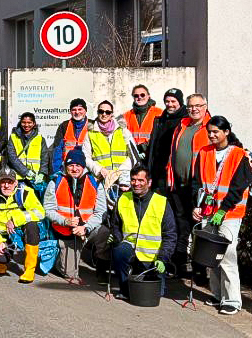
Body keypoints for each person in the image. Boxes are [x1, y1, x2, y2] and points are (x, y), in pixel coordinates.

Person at [191, 116, 251, 315]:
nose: (212, 135)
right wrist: (197, 205)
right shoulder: (204, 152)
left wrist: (223, 209)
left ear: (226, 132)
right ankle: (217, 294)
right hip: (208, 212)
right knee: (210, 255)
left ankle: (232, 300)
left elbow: (238, 187)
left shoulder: (239, 155)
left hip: (230, 213)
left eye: (216, 131)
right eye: (209, 131)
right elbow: (197, 183)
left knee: (226, 255)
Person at [105, 165, 177, 301]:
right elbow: (116, 226)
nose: (136, 183)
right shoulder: (122, 199)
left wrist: (163, 259)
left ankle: (147, 278)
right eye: (133, 180)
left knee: (157, 294)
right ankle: (125, 289)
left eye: (140, 180)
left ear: (149, 182)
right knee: (119, 251)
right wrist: (116, 239)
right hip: (130, 249)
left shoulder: (161, 202)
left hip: (153, 257)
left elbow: (170, 235)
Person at [43, 148, 107, 281]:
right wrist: (65, 221)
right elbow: (48, 210)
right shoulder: (55, 182)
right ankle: (58, 258)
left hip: (87, 229)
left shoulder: (95, 183)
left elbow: (101, 212)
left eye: (78, 165)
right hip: (66, 232)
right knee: (70, 274)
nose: (74, 169)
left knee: (105, 233)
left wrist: (86, 227)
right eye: (71, 165)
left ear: (83, 166)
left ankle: (101, 267)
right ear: (66, 166)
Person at [166, 93, 211, 279]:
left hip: (198, 186)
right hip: (178, 184)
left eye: (198, 105)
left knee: (199, 226)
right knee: (180, 225)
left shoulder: (211, 127)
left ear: (205, 107)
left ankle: (200, 270)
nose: (194, 109)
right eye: (191, 106)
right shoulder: (182, 124)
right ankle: (179, 265)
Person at [0, 164, 45, 283]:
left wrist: (15, 220)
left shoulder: (25, 192)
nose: (6, 185)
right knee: (2, 260)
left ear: (16, 183)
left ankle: (29, 270)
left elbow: (40, 212)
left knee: (32, 226)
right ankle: (1, 259)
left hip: (18, 232)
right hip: (0, 235)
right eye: (3, 182)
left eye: (10, 182)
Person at [145, 88, 185, 187]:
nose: (170, 104)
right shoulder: (160, 120)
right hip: (158, 170)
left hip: (177, 172)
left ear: (180, 102)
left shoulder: (186, 120)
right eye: (167, 101)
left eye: (173, 101)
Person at [88, 100, 134, 186]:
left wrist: (120, 172)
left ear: (112, 114)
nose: (104, 114)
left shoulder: (123, 131)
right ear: (97, 112)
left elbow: (133, 155)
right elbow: (86, 157)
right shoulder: (90, 133)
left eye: (107, 112)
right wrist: (99, 170)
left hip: (122, 179)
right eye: (101, 111)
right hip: (100, 179)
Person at [122, 85, 163, 162]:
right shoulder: (126, 115)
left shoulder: (159, 113)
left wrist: (144, 147)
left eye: (142, 95)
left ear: (148, 96)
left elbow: (162, 136)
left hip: (153, 156)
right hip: (134, 157)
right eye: (136, 95)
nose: (139, 97)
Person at [6, 112, 49, 184]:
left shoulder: (40, 139)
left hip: (35, 179)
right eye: (24, 122)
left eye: (29, 123)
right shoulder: (13, 137)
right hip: (17, 177)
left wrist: (42, 173)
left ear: (34, 124)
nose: (26, 125)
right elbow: (12, 157)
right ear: (20, 123)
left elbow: (45, 158)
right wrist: (26, 172)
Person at [51, 98, 92, 172]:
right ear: (70, 111)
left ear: (85, 110)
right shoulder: (64, 126)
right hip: (67, 168)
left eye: (80, 109)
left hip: (88, 168)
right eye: (74, 110)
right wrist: (57, 171)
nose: (77, 112)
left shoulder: (92, 125)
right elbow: (57, 150)